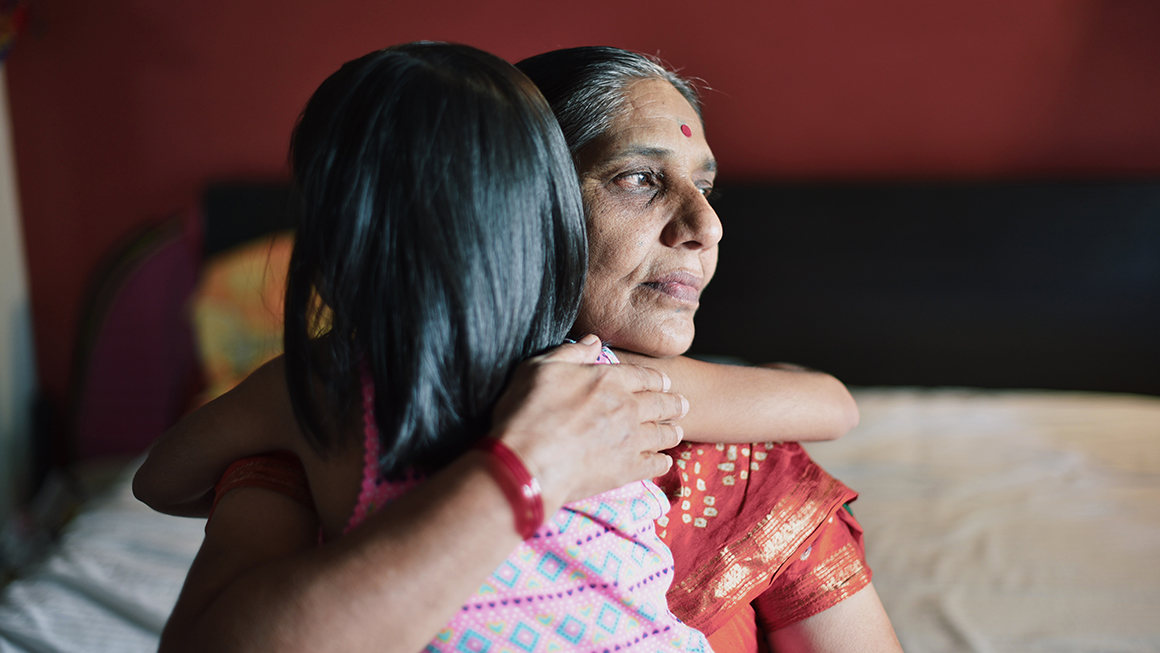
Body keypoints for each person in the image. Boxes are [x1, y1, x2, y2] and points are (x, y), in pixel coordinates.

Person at [514, 46, 901, 652]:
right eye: (639, 179)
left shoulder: (745, 471)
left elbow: (835, 404)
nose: (708, 225)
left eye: (705, 187)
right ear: (516, 200)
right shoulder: (354, 420)